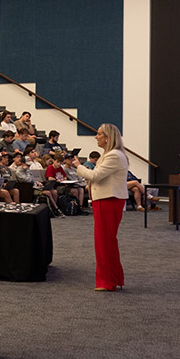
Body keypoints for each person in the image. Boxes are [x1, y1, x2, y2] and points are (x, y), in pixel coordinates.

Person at [66, 124, 129, 292]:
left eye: (99, 134)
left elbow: (95, 175)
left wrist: (78, 166)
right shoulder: (109, 155)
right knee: (107, 241)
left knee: (104, 242)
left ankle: (107, 282)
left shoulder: (114, 155)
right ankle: (113, 278)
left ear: (108, 137)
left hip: (108, 201)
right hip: (106, 200)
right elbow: (98, 177)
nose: (96, 137)